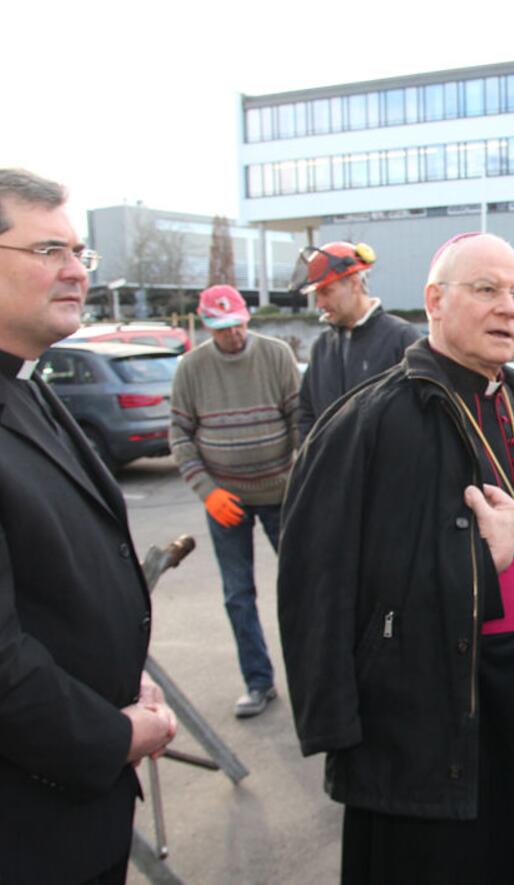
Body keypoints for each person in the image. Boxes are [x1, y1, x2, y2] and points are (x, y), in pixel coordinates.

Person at [278, 232, 514, 884]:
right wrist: (486, 559)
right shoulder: (368, 421)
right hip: (434, 707)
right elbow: (317, 581)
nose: (510, 308)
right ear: (434, 299)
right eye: (486, 289)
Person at [0, 168, 176, 883]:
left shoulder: (31, 388)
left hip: (75, 812)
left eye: (80, 252)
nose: (76, 271)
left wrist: (125, 679)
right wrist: (115, 732)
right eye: (48, 250)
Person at [169, 285, 300, 718]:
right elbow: (181, 436)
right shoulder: (192, 368)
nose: (234, 334)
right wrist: (208, 491)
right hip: (227, 498)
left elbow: (300, 421)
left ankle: (310, 678)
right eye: (223, 328)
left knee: (303, 585)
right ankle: (258, 682)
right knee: (237, 594)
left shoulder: (276, 355)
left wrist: (298, 478)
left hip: (281, 494)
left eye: (239, 324)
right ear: (209, 326)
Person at [290, 241, 420, 441]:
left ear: (354, 283)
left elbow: (422, 419)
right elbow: (307, 414)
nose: (320, 303)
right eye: (317, 295)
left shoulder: (402, 339)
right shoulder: (322, 347)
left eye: (326, 292)